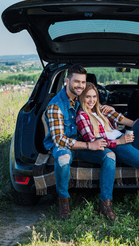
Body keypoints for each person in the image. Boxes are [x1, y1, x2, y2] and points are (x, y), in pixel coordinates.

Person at [76, 82, 139, 225]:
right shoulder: (82, 116)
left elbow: (129, 123)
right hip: (117, 145)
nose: (91, 100)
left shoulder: (100, 110)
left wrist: (113, 112)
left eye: (94, 96)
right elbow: (94, 142)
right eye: (88, 97)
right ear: (81, 98)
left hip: (125, 138)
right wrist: (120, 142)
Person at [43, 64, 95, 220]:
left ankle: (105, 202)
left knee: (108, 155)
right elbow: (60, 140)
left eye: (83, 82)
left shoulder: (81, 99)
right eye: (76, 82)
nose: (80, 85)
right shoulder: (55, 106)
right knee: (63, 158)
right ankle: (63, 201)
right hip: (61, 145)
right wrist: (89, 145)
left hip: (79, 141)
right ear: (67, 81)